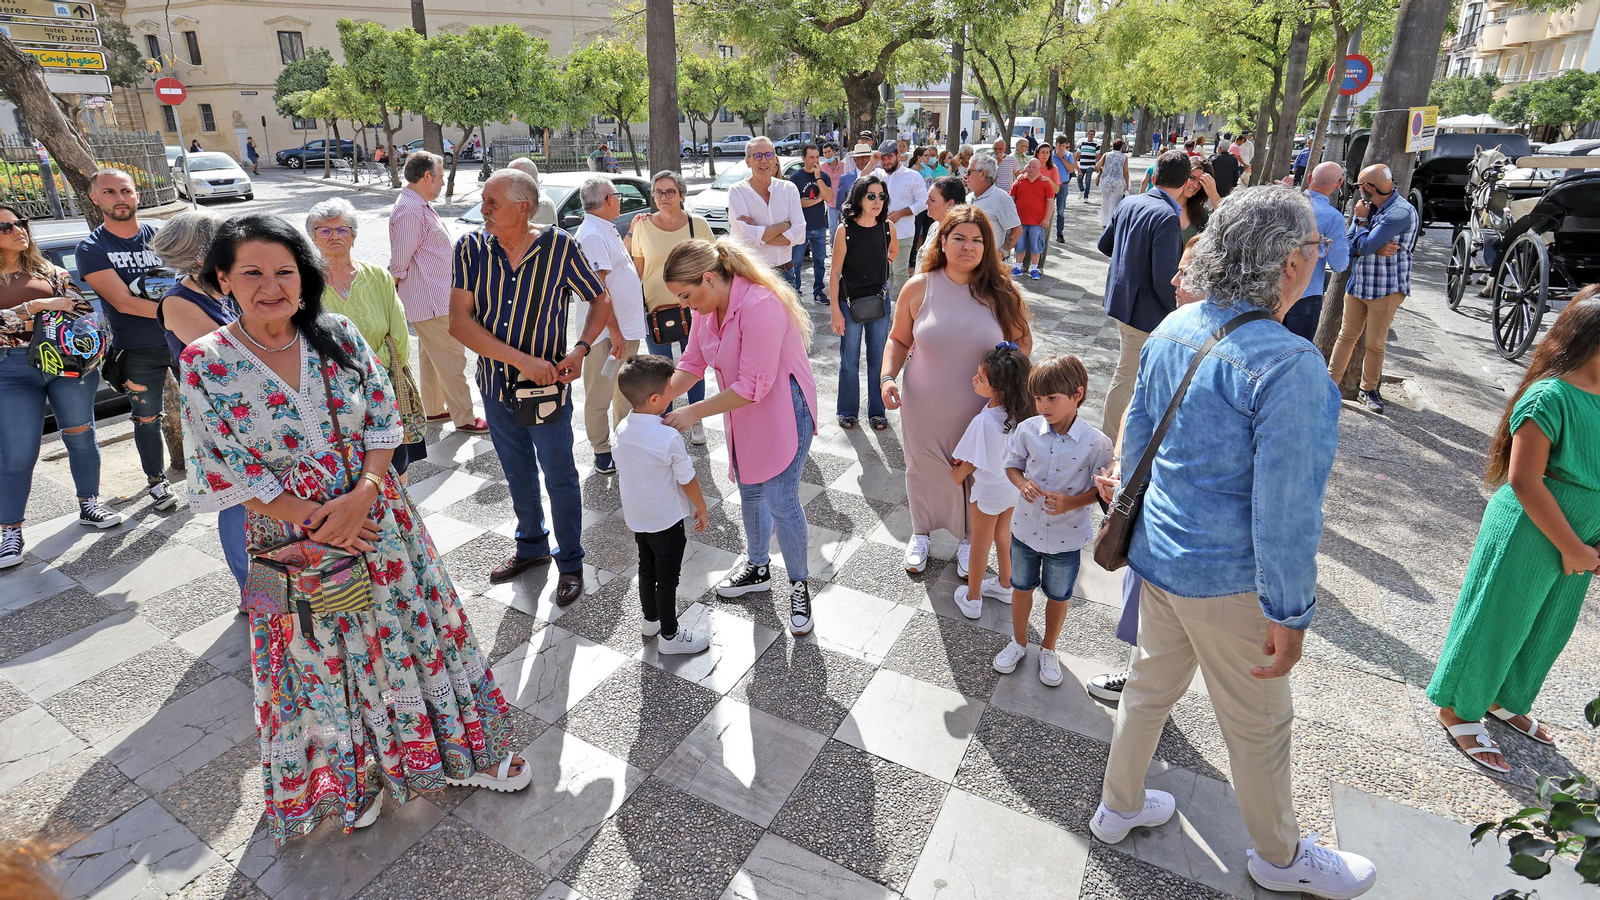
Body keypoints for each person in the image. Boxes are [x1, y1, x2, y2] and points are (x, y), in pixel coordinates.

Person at [181, 214, 532, 847]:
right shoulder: (205, 362)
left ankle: (464, 752)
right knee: (311, 659)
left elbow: (383, 417)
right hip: (286, 541)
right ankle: (352, 778)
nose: (271, 285)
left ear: (304, 276)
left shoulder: (337, 332)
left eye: (284, 271)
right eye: (252, 273)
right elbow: (223, 463)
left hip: (379, 519)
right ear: (222, 280)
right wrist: (319, 520)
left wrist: (362, 496)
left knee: (414, 629)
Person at [1090, 186, 1376, 899]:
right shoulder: (1289, 364)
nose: (1318, 261)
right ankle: (1280, 857)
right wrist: (1291, 611)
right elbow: (1286, 513)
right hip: (1228, 582)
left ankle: (1118, 806)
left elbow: (1134, 441)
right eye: (1314, 249)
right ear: (1286, 265)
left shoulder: (1176, 327)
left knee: (1150, 688)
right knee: (1258, 727)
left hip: (1158, 557)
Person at [1428, 292, 1600, 775]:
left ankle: (1502, 695)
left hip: (1583, 534)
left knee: (1548, 622)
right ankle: (1460, 706)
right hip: (1533, 526)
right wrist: (1572, 546)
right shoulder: (1551, 396)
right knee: (1500, 616)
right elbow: (1525, 480)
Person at [448, 169, 614, 603]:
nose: (483, 211)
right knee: (516, 471)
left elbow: (599, 298)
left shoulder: (561, 246)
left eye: (492, 203)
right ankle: (531, 547)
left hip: (547, 391)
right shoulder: (470, 248)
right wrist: (522, 361)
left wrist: (579, 349)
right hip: (496, 387)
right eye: (484, 202)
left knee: (560, 476)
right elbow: (459, 323)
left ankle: (571, 562)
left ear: (523, 208)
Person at [660, 238, 821, 635]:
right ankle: (757, 566)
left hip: (783, 406)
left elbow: (754, 386)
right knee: (750, 489)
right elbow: (692, 362)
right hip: (741, 408)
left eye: (686, 294)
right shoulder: (707, 307)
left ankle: (799, 585)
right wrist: (652, 402)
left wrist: (691, 412)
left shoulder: (761, 305)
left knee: (782, 499)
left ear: (710, 278)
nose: (684, 305)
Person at [881, 206, 1032, 577]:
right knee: (923, 469)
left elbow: (1023, 342)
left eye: (977, 240)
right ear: (942, 242)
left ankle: (969, 540)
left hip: (980, 409)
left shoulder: (1001, 292)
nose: (969, 247)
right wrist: (887, 378)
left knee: (973, 473)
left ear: (987, 246)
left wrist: (1005, 376)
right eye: (959, 238)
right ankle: (921, 533)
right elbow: (898, 339)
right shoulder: (919, 286)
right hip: (923, 403)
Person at [0, 204, 121, 569]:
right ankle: (10, 530)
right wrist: (36, 306)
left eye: (21, 223)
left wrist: (63, 310)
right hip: (12, 370)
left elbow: (82, 310)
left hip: (65, 364)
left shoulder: (49, 270)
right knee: (18, 452)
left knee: (81, 434)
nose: (19, 230)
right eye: (7, 227)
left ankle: (89, 504)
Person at [992, 355, 1112, 685]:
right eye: (1038, 398)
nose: (1043, 405)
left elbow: (1102, 491)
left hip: (1067, 538)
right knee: (1021, 587)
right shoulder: (1028, 430)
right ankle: (1018, 642)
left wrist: (1072, 502)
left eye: (1052, 398)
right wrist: (1022, 483)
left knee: (1059, 596)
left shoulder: (1097, 443)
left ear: (1078, 394)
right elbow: (1012, 464)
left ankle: (1048, 649)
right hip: (1025, 531)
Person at [149, 210, 246, 587]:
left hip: (249, 409)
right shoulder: (178, 302)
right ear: (200, 255)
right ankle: (255, 595)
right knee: (241, 499)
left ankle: (283, 591)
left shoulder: (225, 289)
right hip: (220, 416)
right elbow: (231, 357)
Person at [76, 168, 178, 511]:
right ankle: (157, 482)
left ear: (137, 195)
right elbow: (122, 302)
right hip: (137, 348)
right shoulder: (91, 247)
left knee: (209, 409)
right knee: (147, 418)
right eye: (109, 192)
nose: (119, 198)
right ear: (95, 198)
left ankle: (217, 473)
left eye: (125, 190)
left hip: (181, 339)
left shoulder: (162, 236)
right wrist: (181, 312)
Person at [308, 198, 426, 478]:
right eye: (324, 231)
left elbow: (398, 334)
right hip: (330, 392)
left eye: (342, 229)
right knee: (349, 468)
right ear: (312, 238)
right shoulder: (304, 282)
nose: (334, 236)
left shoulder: (378, 277)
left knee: (395, 464)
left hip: (382, 386)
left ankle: (401, 516)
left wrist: (371, 373)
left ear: (354, 235)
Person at [613, 354, 712, 654]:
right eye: (670, 389)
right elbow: (687, 478)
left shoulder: (621, 429)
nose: (673, 393)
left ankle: (650, 620)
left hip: (639, 519)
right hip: (666, 521)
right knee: (668, 580)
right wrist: (701, 506)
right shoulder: (667, 438)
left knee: (647, 568)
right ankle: (670, 636)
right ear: (655, 398)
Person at [390, 151, 488, 434]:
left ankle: (433, 409)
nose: (443, 183)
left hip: (432, 297)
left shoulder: (416, 204)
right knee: (451, 357)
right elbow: (399, 261)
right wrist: (393, 290)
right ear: (427, 176)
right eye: (441, 177)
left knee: (432, 357)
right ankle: (465, 416)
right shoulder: (410, 209)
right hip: (432, 299)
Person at [1097, 150, 1188, 443]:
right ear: (1186, 183)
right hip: (1144, 311)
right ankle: (1111, 444)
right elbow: (1164, 278)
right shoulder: (1167, 215)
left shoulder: (1131, 202)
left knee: (1130, 376)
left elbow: (1105, 244)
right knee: (1127, 378)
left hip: (1121, 302)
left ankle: (1120, 439)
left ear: (1154, 175)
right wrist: (1178, 311)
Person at [949, 344, 1031, 620]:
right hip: (1012, 488)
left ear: (1000, 389)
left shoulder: (985, 420)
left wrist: (957, 475)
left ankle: (972, 598)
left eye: (981, 378)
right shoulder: (1021, 412)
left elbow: (972, 459)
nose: (973, 379)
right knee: (1003, 534)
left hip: (989, 490)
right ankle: (1006, 584)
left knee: (980, 542)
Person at [629, 170, 710, 443]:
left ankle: (695, 419)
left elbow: (713, 266)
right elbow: (636, 272)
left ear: (682, 195)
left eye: (670, 192)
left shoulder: (696, 225)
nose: (664, 197)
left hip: (694, 309)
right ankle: (667, 423)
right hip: (656, 312)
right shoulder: (642, 226)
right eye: (659, 192)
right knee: (660, 372)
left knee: (693, 367)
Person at [1328, 163, 1417, 414]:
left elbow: (1362, 246)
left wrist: (1362, 225)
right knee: (1346, 336)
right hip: (1360, 282)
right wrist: (1369, 240)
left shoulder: (1399, 212)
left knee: (1375, 343)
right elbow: (1350, 245)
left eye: (1359, 186)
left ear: (1368, 188)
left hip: (1386, 286)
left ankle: (1369, 389)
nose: (1357, 191)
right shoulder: (1370, 209)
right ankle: (1329, 384)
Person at [573, 176, 644, 475]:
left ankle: (622, 443)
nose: (620, 199)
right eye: (617, 195)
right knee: (600, 394)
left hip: (622, 332)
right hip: (606, 335)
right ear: (608, 199)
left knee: (624, 391)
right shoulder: (592, 234)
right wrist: (614, 331)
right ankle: (602, 449)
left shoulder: (604, 229)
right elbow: (597, 291)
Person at [828, 174, 896, 431]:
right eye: (871, 196)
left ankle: (877, 411)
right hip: (850, 303)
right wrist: (835, 310)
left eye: (881, 196)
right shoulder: (845, 230)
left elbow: (893, 251)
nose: (877, 201)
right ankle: (847, 410)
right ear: (859, 198)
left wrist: (884, 265)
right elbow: (834, 273)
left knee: (878, 359)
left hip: (879, 302)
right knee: (850, 359)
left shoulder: (887, 226)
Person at [1284, 162, 1350, 343]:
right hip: (1306, 291)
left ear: (1309, 177)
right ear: (1339, 184)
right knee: (1296, 350)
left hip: (1272, 288)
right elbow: (1339, 264)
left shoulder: (1285, 203)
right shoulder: (1333, 217)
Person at [729, 137, 805, 273]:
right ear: (748, 161)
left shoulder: (789, 189)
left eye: (768, 155)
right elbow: (743, 238)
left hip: (785, 273)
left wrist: (757, 233)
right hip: (753, 273)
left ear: (774, 159)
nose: (763, 160)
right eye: (757, 156)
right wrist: (783, 226)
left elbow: (799, 234)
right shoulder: (737, 192)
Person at [868, 140, 929, 291]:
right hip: (879, 232)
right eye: (883, 158)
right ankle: (885, 307)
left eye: (889, 157)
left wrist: (902, 213)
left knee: (900, 272)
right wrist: (871, 163)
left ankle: (905, 310)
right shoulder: (877, 174)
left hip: (903, 232)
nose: (886, 162)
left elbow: (924, 202)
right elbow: (858, 186)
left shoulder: (912, 176)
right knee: (883, 272)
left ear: (898, 155)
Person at [788, 143, 834, 306]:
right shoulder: (795, 178)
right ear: (803, 158)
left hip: (820, 226)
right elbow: (797, 203)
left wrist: (818, 177)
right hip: (801, 227)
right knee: (797, 261)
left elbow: (828, 197)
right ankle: (796, 290)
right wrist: (817, 199)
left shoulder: (823, 176)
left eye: (817, 157)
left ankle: (819, 291)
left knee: (820, 261)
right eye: (811, 157)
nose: (815, 161)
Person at [966, 154, 1022, 259]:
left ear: (983, 174)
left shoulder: (1002, 198)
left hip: (988, 266)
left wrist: (999, 255)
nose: (966, 176)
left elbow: (1017, 230)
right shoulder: (968, 198)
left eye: (969, 172)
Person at [1009, 158, 1055, 281]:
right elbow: (1011, 199)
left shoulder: (1045, 183)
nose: (1030, 169)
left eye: (1033, 167)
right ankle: (1018, 267)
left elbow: (1051, 202)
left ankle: (1035, 269)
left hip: (1038, 222)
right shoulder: (1019, 182)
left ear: (1039, 169)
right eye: (1029, 166)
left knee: (1036, 246)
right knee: (1020, 245)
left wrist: (1047, 219)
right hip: (1020, 221)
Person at [920, 175, 968, 257]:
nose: (927, 202)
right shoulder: (934, 226)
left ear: (950, 204)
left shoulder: (958, 235)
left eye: (932, 200)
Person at [506, 157, 561, 226]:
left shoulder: (540, 204)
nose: (507, 183)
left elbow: (532, 234)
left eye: (511, 179)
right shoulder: (521, 200)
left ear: (526, 180)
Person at [1181, 156, 1221, 245]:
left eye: (1201, 182)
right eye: (1192, 177)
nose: (1195, 185)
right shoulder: (1162, 205)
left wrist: (1213, 194)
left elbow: (1225, 224)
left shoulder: (1201, 212)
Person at [1050, 136, 1080, 242]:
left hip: (1063, 185)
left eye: (1064, 146)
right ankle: (1045, 232)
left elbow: (1071, 169)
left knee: (1061, 210)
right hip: (1051, 185)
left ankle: (1059, 233)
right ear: (1056, 144)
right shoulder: (1050, 156)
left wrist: (1062, 158)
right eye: (1059, 145)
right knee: (1047, 209)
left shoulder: (1068, 155)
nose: (1061, 148)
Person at [1096, 138, 1131, 229]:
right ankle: (1111, 223)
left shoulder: (1106, 155)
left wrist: (1103, 170)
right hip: (1118, 183)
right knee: (1115, 202)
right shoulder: (1124, 157)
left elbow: (1097, 166)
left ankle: (1104, 221)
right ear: (1121, 147)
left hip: (1106, 181)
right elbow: (1125, 172)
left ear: (1113, 146)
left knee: (1105, 202)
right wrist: (1127, 184)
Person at [821, 142, 848, 234]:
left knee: (845, 225)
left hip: (843, 200)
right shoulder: (823, 168)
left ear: (834, 152)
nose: (827, 155)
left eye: (829, 152)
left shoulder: (843, 166)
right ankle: (833, 247)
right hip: (831, 201)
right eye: (825, 153)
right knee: (833, 227)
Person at [1076, 131, 1100, 201]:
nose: (1091, 136)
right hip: (1082, 165)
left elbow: (1098, 156)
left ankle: (1086, 196)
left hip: (1090, 166)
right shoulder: (1082, 143)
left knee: (1087, 181)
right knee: (1079, 179)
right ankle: (1081, 190)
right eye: (1090, 134)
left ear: (1094, 135)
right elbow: (1078, 153)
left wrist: (1097, 165)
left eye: (1092, 134)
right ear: (1087, 135)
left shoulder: (1096, 145)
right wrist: (1074, 162)